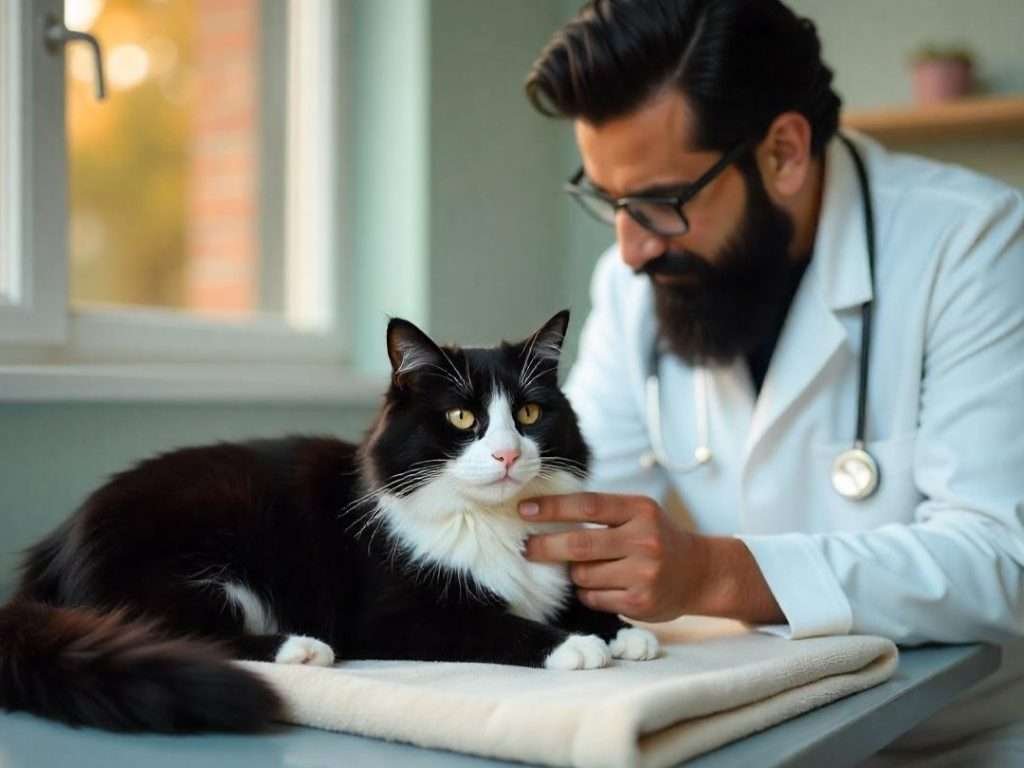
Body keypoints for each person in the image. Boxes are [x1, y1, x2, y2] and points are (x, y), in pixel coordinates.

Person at [517, 1, 1024, 764]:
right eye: (608, 201)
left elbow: (1002, 558)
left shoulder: (974, 246)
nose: (628, 251)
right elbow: (576, 504)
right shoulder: (635, 285)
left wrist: (716, 574)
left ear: (784, 152)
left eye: (658, 203)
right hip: (771, 728)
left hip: (961, 738)